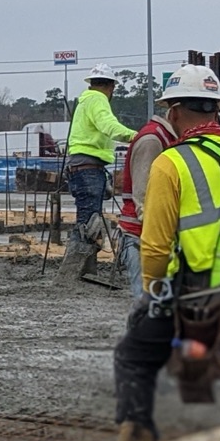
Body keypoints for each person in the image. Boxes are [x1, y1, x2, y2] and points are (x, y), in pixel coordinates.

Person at [65, 65, 220, 441]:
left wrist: (154, 294)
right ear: (217, 110)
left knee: (134, 357)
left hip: (204, 287)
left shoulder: (172, 162)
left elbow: (157, 244)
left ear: (176, 111)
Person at [58, 63, 136, 280]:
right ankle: (74, 274)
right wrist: (136, 136)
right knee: (89, 222)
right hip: (88, 168)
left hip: (84, 167)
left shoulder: (85, 101)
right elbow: (108, 125)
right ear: (111, 87)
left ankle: (84, 271)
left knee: (88, 218)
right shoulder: (97, 100)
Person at [116, 107, 177, 299]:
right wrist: (158, 234)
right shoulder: (153, 140)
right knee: (149, 303)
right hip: (141, 236)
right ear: (176, 112)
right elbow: (142, 195)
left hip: (150, 236)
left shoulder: (165, 137)